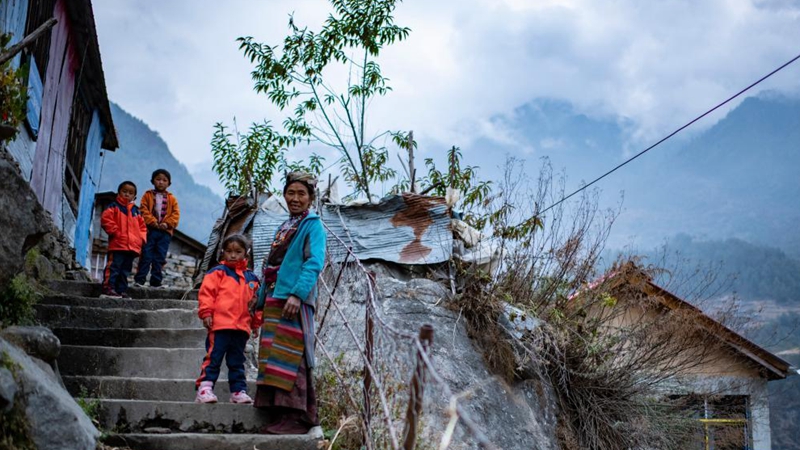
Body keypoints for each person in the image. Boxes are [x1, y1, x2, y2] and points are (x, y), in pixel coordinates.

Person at [253, 172, 326, 435]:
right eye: (290, 193)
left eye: (301, 194)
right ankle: (277, 413)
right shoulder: (286, 225)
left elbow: (314, 262)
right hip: (276, 298)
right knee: (274, 355)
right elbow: (273, 265)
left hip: (293, 301)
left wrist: (298, 294)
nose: (295, 198)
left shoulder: (313, 226)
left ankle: (296, 417)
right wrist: (260, 298)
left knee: (291, 355)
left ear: (311, 198)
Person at [195, 234, 260, 404]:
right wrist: (206, 313)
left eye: (238, 252)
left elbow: (256, 304)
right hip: (220, 326)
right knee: (214, 357)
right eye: (229, 251)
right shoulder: (217, 272)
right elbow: (207, 294)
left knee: (237, 361)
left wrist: (256, 323)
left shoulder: (252, 279)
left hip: (241, 328)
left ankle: (238, 391)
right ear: (223, 252)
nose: (233, 255)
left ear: (246, 253)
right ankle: (205, 388)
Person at [100, 181, 147, 298]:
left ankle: (120, 290)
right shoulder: (114, 206)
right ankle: (108, 287)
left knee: (125, 270)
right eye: (124, 191)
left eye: (130, 193)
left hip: (132, 247)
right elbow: (106, 219)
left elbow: (143, 228)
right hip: (118, 244)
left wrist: (141, 239)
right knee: (114, 267)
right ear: (119, 192)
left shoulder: (136, 211)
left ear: (134, 197)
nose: (127, 194)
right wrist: (115, 232)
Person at [134, 168, 180, 287]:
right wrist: (152, 221)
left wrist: (167, 224)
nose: (161, 182)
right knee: (146, 255)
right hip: (150, 231)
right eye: (158, 179)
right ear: (153, 181)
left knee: (159, 257)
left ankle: (155, 282)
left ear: (169, 183)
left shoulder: (172, 199)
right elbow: (143, 210)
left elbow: (175, 214)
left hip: (165, 233)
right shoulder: (147, 195)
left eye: (164, 180)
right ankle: (139, 280)